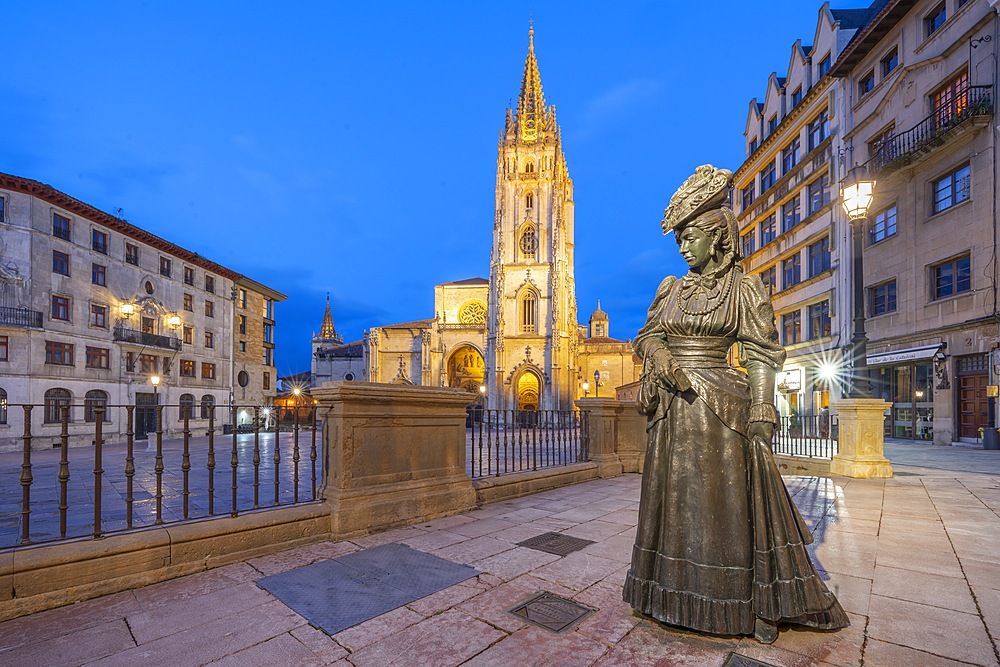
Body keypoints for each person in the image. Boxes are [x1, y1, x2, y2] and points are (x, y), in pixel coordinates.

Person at [622, 165, 848, 644]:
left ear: (717, 238)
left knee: (720, 509)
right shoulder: (671, 289)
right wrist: (658, 352)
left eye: (692, 237)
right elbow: (646, 336)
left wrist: (763, 409)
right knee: (674, 506)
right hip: (672, 412)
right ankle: (665, 592)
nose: (684, 247)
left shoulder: (744, 290)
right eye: (680, 239)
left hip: (720, 413)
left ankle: (730, 601)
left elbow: (762, 352)